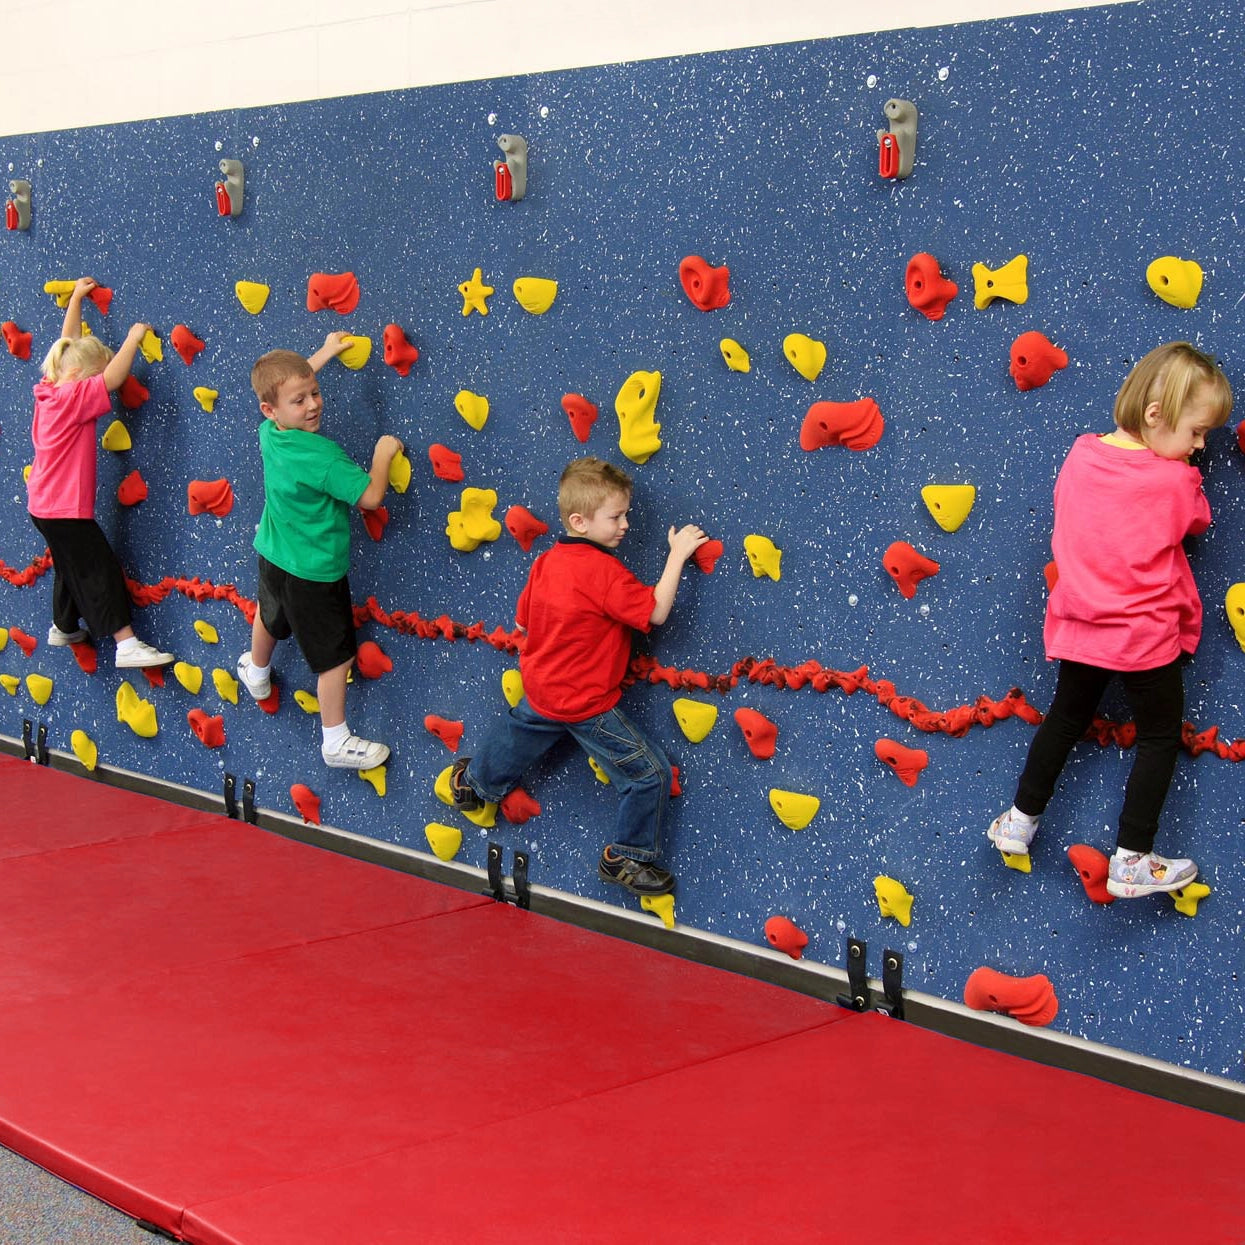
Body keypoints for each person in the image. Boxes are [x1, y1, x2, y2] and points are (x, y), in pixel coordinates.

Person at [988, 342, 1233, 898]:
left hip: (1079, 627)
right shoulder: (1176, 482)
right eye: (1197, 432)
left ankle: (1017, 823)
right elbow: (1194, 523)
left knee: (1064, 720)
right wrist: (1186, 478)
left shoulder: (1081, 454)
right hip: (1143, 637)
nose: (1199, 447)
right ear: (1156, 415)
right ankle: (1132, 860)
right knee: (1159, 736)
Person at [449, 456, 708, 897]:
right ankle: (628, 855)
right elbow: (656, 611)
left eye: (626, 513)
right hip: (587, 704)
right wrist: (678, 555)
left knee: (519, 730)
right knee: (649, 774)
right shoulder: (604, 572)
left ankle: (474, 786)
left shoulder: (548, 561)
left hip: (542, 688)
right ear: (579, 520)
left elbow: (523, 624)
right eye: (616, 516)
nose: (625, 524)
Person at [236, 333, 403, 769]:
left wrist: (324, 354)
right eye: (300, 401)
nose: (312, 405)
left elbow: (285, 386)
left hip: (273, 553)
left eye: (315, 393)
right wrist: (382, 454)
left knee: (268, 614)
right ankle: (335, 739)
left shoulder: (269, 433)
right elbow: (369, 497)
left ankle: (256, 672)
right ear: (272, 409)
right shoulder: (323, 456)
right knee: (336, 656)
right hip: (315, 573)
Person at [26, 277, 174, 668]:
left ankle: (63, 624)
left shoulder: (49, 388)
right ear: (81, 379)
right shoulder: (74, 397)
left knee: (69, 562)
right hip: (64, 509)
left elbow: (67, 345)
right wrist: (134, 336)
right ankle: (126, 643)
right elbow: (112, 379)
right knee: (98, 568)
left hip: (43, 506)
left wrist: (76, 300)